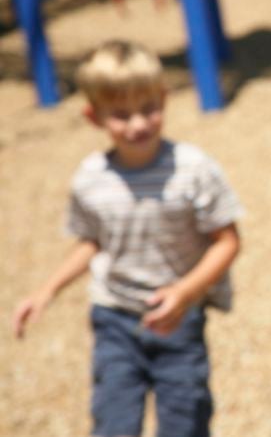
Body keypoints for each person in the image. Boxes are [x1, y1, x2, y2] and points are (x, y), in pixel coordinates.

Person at [11, 40, 242, 437]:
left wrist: (186, 292)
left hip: (178, 322)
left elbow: (228, 241)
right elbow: (91, 242)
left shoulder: (194, 170)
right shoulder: (90, 179)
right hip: (114, 319)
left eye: (148, 108)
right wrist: (46, 290)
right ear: (93, 116)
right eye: (121, 114)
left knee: (185, 423)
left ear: (164, 99)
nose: (137, 124)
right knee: (113, 423)